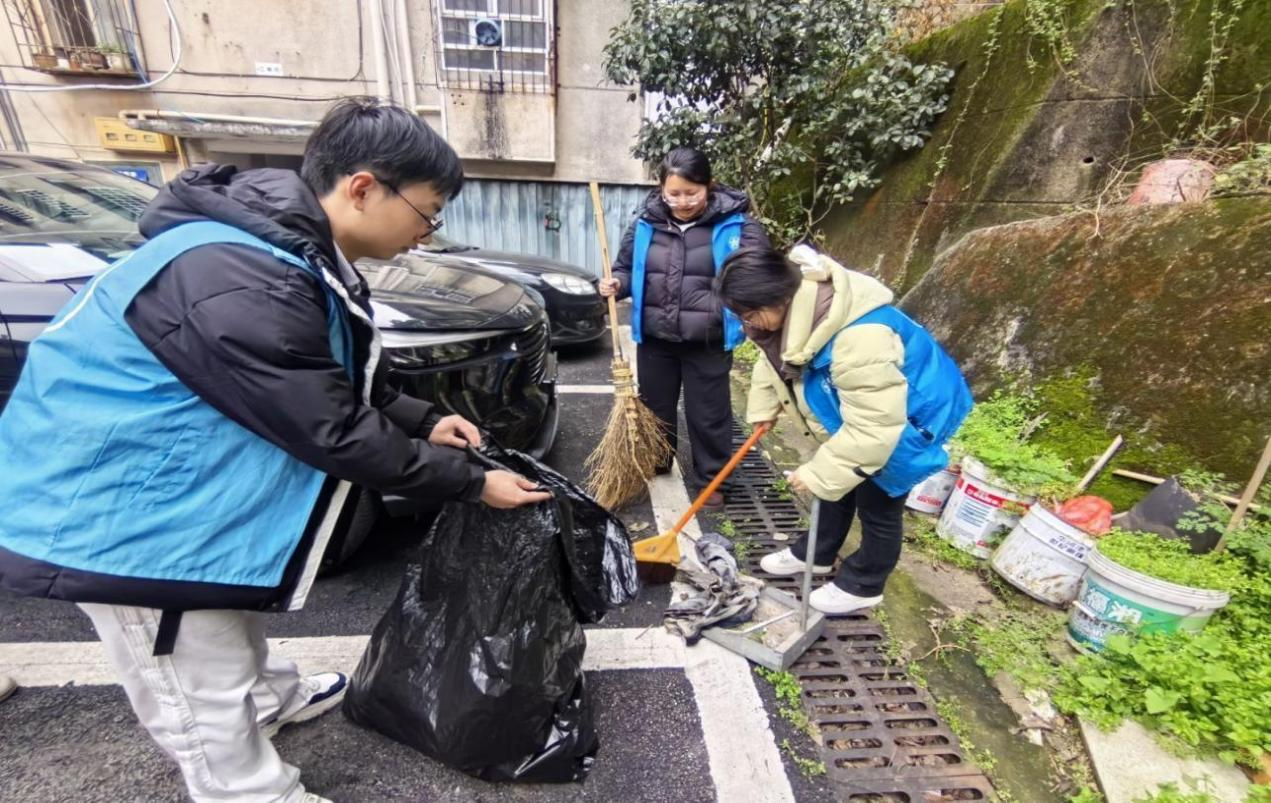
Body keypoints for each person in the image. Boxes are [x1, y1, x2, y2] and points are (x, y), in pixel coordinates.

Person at [0, 97, 550, 803]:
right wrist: (471, 483)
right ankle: (248, 788)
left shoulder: (279, 252)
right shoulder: (240, 274)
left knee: (225, 609)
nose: (427, 231)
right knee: (197, 673)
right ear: (363, 188)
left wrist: (423, 420)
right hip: (125, 516)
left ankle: (267, 695)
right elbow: (328, 427)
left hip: (179, 491)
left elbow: (321, 375)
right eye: (428, 210)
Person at [714, 245, 972, 615]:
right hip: (863, 405)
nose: (747, 324)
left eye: (750, 313)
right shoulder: (793, 312)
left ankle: (864, 583)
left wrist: (818, 472)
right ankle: (817, 553)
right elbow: (772, 362)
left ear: (779, 297)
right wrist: (764, 408)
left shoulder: (860, 340)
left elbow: (874, 427)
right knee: (837, 483)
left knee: (879, 499)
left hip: (912, 415)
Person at [599, 147, 771, 508]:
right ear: (661, 188)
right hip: (656, 338)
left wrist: (732, 311)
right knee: (655, 408)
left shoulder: (738, 226)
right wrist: (616, 283)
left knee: (708, 414)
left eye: (691, 193)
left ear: (708, 185)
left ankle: (712, 479)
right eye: (673, 193)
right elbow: (626, 268)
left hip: (708, 338)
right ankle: (658, 460)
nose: (682, 201)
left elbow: (756, 276)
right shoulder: (645, 224)